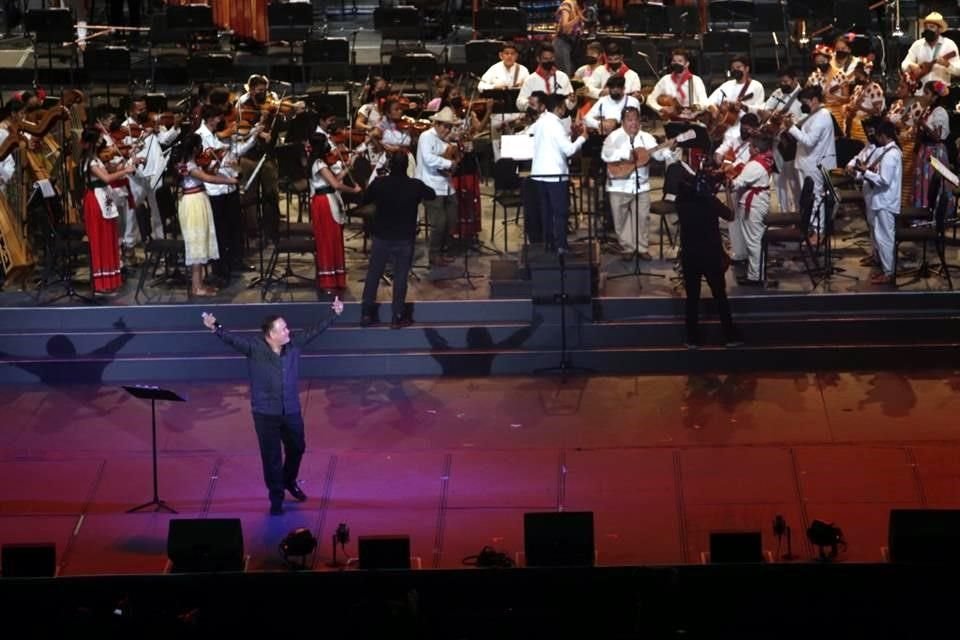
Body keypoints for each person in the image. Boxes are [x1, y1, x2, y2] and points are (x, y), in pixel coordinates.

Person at [201, 299, 345, 515]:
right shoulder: (255, 348)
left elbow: (315, 331)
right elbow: (232, 340)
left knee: (297, 447)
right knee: (271, 457)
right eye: (283, 329)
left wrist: (334, 314)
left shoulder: (293, 345)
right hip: (265, 413)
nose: (288, 331)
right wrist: (215, 327)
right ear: (271, 334)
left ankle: (289, 480)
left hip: (291, 409)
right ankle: (276, 497)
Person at [360, 152, 436, 328]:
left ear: (390, 165)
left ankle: (366, 313)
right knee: (401, 277)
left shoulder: (380, 183)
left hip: (381, 237)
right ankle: (397, 316)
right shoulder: (415, 185)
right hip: (404, 238)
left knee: (373, 274)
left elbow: (365, 199)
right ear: (407, 167)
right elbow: (431, 194)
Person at [673, 165, 741, 348]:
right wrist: (726, 190)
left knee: (692, 298)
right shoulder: (710, 201)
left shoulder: (681, 202)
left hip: (690, 255)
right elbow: (731, 215)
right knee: (720, 295)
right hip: (710, 254)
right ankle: (730, 337)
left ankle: (692, 338)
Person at [600, 106, 673, 258]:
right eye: (629, 120)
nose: (633, 123)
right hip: (619, 184)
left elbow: (658, 155)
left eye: (636, 119)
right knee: (620, 220)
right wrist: (627, 154)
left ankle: (642, 248)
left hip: (641, 185)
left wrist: (667, 150)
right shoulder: (613, 137)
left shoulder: (646, 137)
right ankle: (628, 248)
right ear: (623, 122)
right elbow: (606, 155)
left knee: (642, 217)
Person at [79, 128, 141, 295]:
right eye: (99, 140)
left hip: (102, 198)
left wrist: (128, 162)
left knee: (109, 237)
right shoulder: (90, 162)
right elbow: (106, 178)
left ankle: (110, 280)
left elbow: (110, 170)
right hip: (95, 200)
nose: (102, 143)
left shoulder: (96, 159)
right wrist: (126, 171)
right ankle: (102, 283)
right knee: (101, 238)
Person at [178, 133, 237, 297]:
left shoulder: (191, 163)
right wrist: (230, 181)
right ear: (195, 148)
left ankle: (200, 283)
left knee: (201, 240)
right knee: (196, 243)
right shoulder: (187, 165)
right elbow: (207, 178)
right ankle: (196, 287)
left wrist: (215, 168)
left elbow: (206, 173)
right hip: (193, 203)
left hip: (198, 200)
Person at [531, 93, 588, 252]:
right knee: (560, 212)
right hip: (554, 175)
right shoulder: (555, 125)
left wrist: (569, 135)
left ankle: (549, 245)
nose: (565, 109)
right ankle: (561, 245)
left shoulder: (541, 121)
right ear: (558, 108)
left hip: (539, 174)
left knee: (546, 212)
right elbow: (569, 150)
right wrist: (582, 138)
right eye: (563, 106)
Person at [849, 120, 902, 285]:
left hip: (886, 201)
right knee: (880, 236)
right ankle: (886, 268)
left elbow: (884, 181)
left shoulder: (892, 154)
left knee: (885, 238)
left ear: (884, 135)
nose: (876, 140)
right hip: (881, 200)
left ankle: (888, 272)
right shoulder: (887, 151)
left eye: (878, 136)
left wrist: (866, 172)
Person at [308, 134, 361, 293]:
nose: (329, 148)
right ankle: (328, 281)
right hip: (324, 202)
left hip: (328, 199)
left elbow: (334, 179)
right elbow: (336, 184)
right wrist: (354, 190)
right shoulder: (318, 163)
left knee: (334, 238)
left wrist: (347, 169)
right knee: (327, 239)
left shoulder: (321, 163)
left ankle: (336, 278)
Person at [786, 85, 836, 235]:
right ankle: (810, 227)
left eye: (805, 101)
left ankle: (818, 231)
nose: (803, 105)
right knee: (808, 199)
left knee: (815, 198)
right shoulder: (814, 114)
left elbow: (809, 141)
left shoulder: (823, 115)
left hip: (815, 164)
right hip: (806, 162)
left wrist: (791, 128)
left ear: (814, 100)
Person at [415, 107, 461, 268]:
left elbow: (454, 158)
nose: (447, 130)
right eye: (445, 126)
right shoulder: (426, 136)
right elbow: (428, 159)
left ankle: (443, 250)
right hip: (430, 185)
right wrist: (449, 162)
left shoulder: (448, 140)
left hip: (447, 184)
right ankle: (434, 255)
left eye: (450, 127)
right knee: (439, 222)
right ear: (437, 124)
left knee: (452, 218)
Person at [729, 134, 775, 286]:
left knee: (753, 241)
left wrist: (727, 179)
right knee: (754, 239)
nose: (748, 149)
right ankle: (755, 272)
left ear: (756, 149)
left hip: (754, 205)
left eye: (750, 146)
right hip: (759, 202)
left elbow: (737, 183)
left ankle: (755, 276)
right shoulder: (765, 159)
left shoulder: (755, 165)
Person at [758, 67, 804, 214]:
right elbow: (766, 111)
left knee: (794, 180)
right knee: (779, 180)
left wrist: (788, 123)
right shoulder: (777, 93)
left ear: (795, 80)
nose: (783, 84)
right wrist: (769, 114)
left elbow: (805, 119)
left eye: (786, 81)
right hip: (777, 141)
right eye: (781, 81)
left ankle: (798, 212)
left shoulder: (803, 96)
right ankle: (784, 212)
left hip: (794, 143)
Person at [914, 80, 954, 213]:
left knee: (932, 183)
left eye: (927, 93)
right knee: (923, 182)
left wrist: (923, 125)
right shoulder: (928, 110)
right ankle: (921, 213)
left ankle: (934, 214)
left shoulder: (940, 112)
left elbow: (938, 137)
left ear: (935, 96)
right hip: (926, 149)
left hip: (934, 152)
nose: (924, 96)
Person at [901, 11, 960, 94]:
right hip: (920, 92)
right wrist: (911, 65)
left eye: (931, 27)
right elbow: (904, 64)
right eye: (926, 27)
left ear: (939, 29)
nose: (928, 29)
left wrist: (947, 65)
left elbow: (958, 70)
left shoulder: (949, 45)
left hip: (941, 94)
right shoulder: (917, 44)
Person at [646, 48, 708, 120]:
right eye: (674, 61)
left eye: (680, 61)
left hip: (692, 120)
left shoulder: (696, 80)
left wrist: (696, 108)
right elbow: (650, 99)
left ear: (687, 64)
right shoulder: (665, 80)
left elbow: (705, 102)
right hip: (671, 120)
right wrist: (661, 109)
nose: (676, 64)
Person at [517, 44, 576, 111]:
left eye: (551, 58)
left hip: (561, 118)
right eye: (545, 59)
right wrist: (530, 104)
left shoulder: (563, 77)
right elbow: (519, 102)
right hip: (539, 118)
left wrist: (571, 102)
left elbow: (570, 101)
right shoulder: (530, 79)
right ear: (538, 59)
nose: (549, 61)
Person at [553, 0, 584, 75]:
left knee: (572, 72)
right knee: (565, 73)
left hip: (573, 45)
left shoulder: (579, 6)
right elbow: (565, 27)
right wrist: (578, 18)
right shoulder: (567, 4)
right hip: (562, 43)